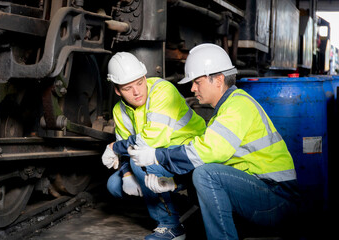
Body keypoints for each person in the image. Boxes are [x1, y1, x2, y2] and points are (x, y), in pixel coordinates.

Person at [128, 43, 300, 240]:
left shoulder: (238, 106)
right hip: (264, 194)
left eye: (197, 82)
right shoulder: (227, 107)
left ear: (218, 80)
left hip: (278, 199)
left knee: (205, 174)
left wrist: (156, 155)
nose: (192, 88)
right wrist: (174, 184)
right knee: (202, 173)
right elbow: (215, 158)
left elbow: (207, 153)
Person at [101, 52, 206, 240]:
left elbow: (150, 142)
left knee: (141, 161)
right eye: (128, 88)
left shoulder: (162, 90)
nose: (137, 92)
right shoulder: (119, 110)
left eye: (140, 83)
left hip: (191, 155)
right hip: (160, 158)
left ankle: (171, 227)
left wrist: (115, 148)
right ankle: (180, 204)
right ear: (117, 91)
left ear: (144, 77)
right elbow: (127, 150)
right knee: (115, 185)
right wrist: (125, 174)